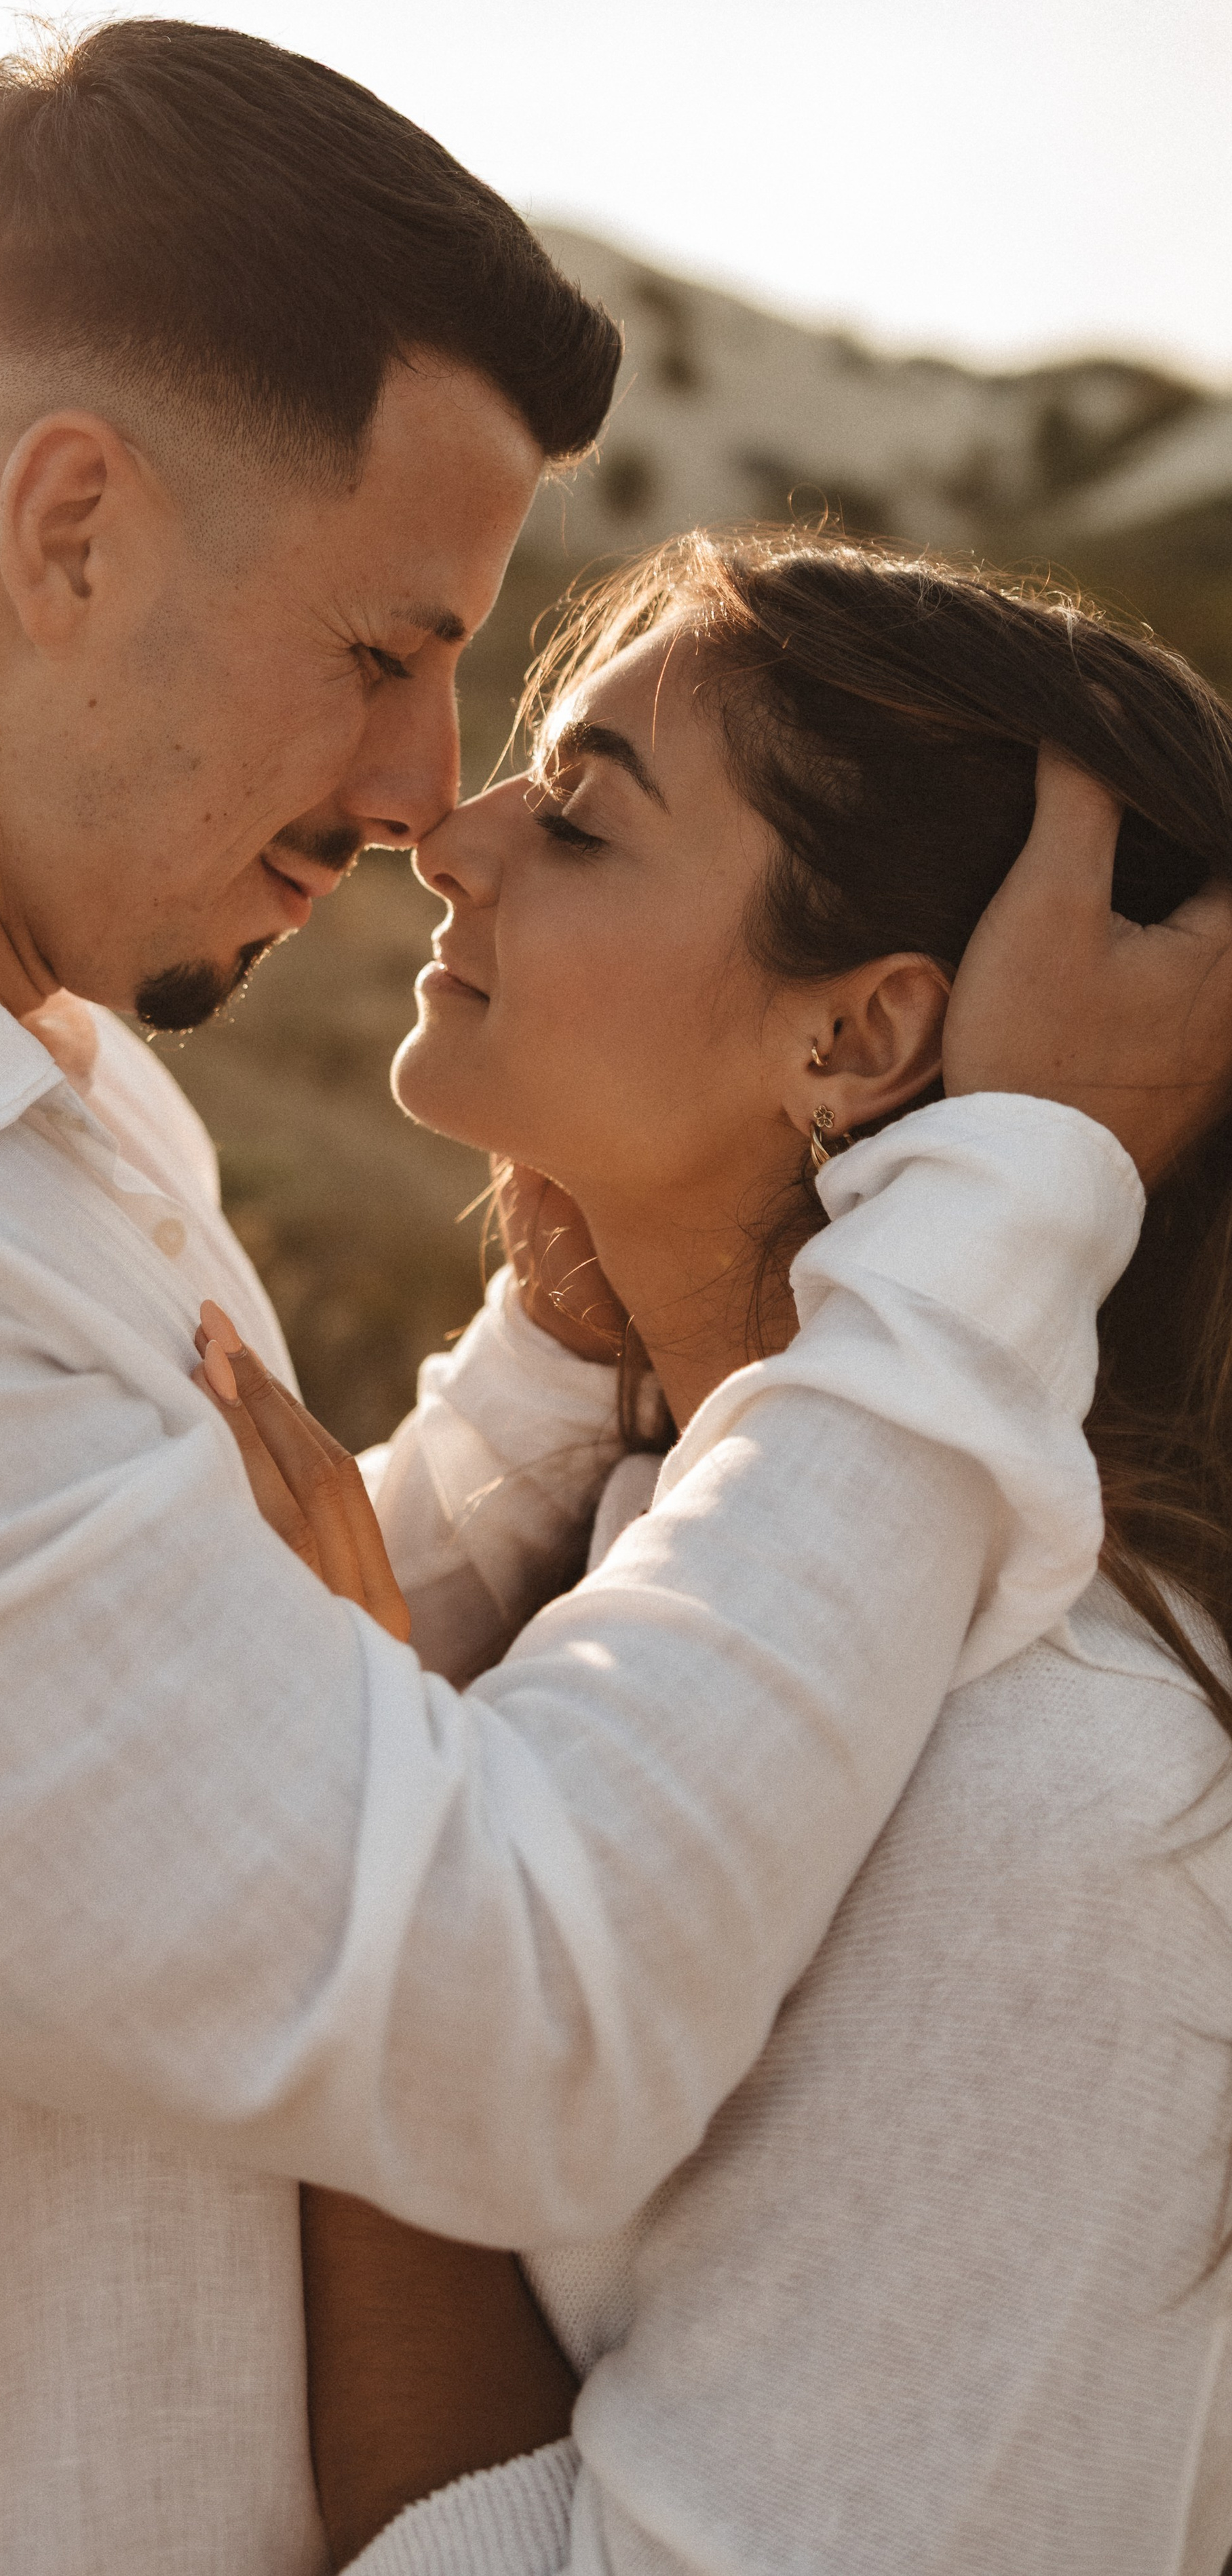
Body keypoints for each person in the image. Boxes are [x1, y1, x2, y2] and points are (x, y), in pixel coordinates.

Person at [0, 22, 1225, 2573]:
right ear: (70, 528)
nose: (435, 791)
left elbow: (162, 1719)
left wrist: (564, 1370)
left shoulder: (45, 1100)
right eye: (384, 647)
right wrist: (1010, 1198)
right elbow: (505, 2004)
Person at [214, 534, 1232, 2576]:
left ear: (857, 1042)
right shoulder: (652, 1519)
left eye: (579, 819)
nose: (454, 833)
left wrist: (363, 1850)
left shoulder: (1074, 1808)